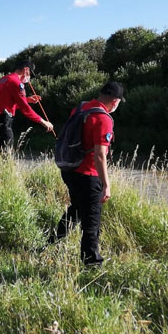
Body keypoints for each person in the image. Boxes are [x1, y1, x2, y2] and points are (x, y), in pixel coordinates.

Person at [49, 81, 124, 266]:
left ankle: (51, 243)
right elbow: (100, 156)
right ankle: (92, 263)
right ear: (115, 102)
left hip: (69, 170)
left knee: (76, 210)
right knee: (91, 222)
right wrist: (106, 184)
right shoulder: (103, 119)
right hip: (88, 175)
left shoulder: (81, 108)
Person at [0, 58, 53, 152]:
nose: (29, 78)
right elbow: (25, 109)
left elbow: (6, 103)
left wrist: (28, 100)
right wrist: (43, 122)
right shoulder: (17, 83)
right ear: (26, 70)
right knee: (5, 154)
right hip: (3, 122)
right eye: (30, 74)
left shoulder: (4, 79)